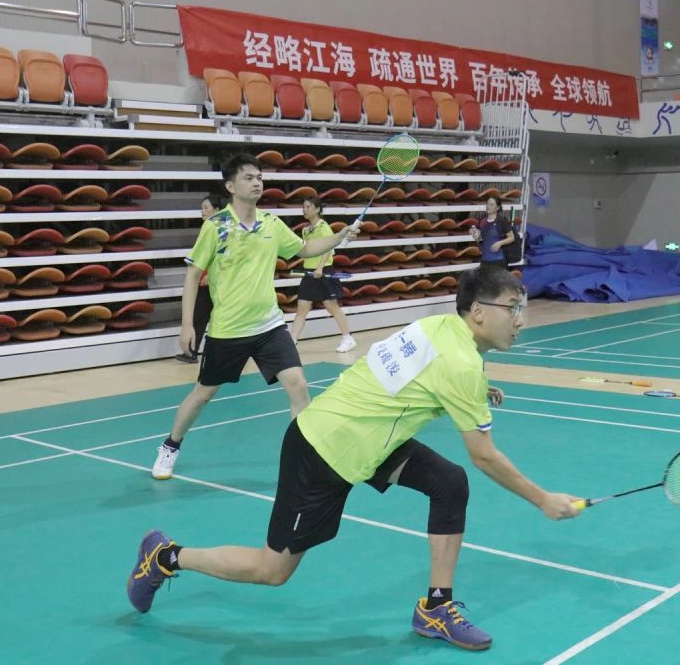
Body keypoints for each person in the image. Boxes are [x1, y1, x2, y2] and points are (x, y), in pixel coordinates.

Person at [128, 265, 581, 652]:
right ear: (478, 311)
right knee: (272, 570)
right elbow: (485, 456)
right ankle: (166, 556)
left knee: (449, 482)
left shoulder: (440, 327)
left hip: (368, 440)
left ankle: (436, 608)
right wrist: (543, 499)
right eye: (512, 308)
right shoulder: (459, 363)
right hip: (322, 449)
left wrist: (478, 387)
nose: (520, 320)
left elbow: (420, 372)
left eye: (522, 308)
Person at [151, 154, 359, 479]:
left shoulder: (271, 224)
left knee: (298, 384)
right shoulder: (215, 227)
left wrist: (340, 236)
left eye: (259, 177)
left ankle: (304, 458)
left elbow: (304, 249)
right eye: (248, 178)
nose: (257, 182)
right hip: (228, 330)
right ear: (231, 186)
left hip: (269, 326)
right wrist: (187, 325)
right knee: (203, 394)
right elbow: (192, 275)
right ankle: (170, 445)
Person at [289, 196, 356, 353]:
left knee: (332, 307)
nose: (304, 210)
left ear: (318, 209)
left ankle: (348, 338)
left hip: (323, 271)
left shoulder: (323, 226)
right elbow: (308, 250)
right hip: (309, 273)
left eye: (308, 206)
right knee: (302, 308)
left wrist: (319, 268)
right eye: (303, 207)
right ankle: (292, 342)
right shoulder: (305, 230)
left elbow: (328, 247)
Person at [175, 193, 225, 364]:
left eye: (206, 207)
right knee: (199, 319)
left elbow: (225, 257)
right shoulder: (207, 228)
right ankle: (191, 352)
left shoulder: (222, 229)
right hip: (203, 283)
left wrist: (211, 275)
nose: (202, 211)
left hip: (216, 284)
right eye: (201, 208)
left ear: (217, 209)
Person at [469, 196, 514, 269]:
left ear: (497, 208)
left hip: (498, 261)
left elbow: (512, 238)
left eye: (491, 205)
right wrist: (474, 233)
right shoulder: (482, 221)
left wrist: (499, 243)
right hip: (484, 260)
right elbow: (479, 240)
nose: (488, 206)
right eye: (487, 204)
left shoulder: (502, 221)